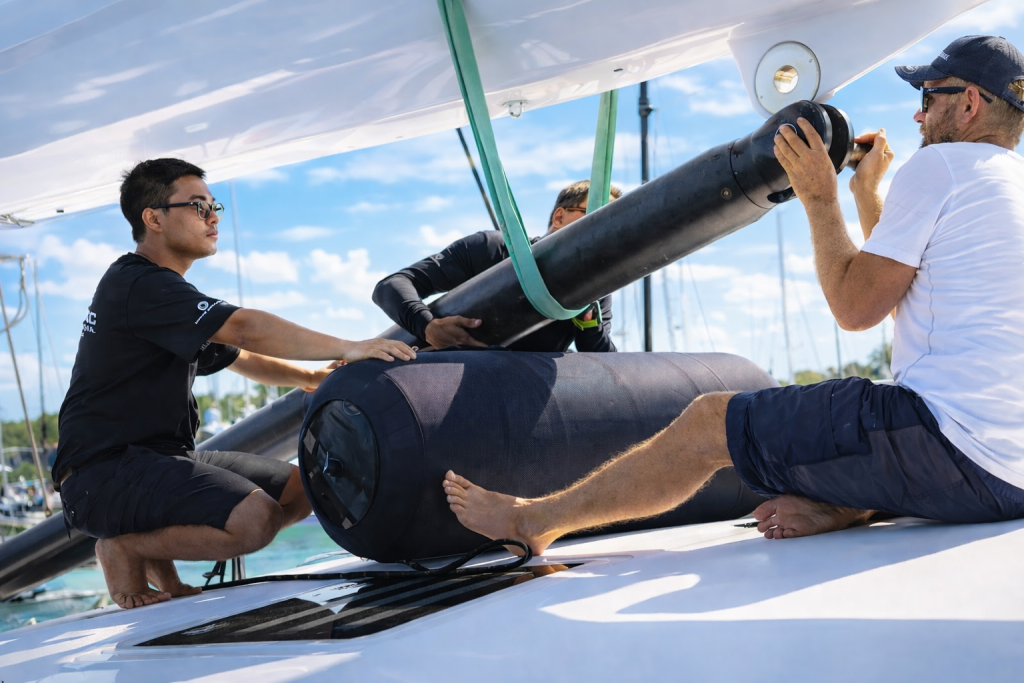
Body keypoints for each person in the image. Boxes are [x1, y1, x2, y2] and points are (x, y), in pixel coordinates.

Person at [441, 35, 1024, 555]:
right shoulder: (1006, 183)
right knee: (867, 412)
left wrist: (819, 197)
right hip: (1006, 479)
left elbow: (856, 310)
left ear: (969, 103)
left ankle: (534, 521)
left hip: (946, 447)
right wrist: (867, 192)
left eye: (928, 98)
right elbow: (899, 285)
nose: (918, 115)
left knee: (709, 420)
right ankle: (848, 502)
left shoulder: (942, 166)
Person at [53, 158, 416, 609]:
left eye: (215, 205)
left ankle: (156, 562)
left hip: (154, 460)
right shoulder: (139, 284)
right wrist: (349, 347)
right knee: (255, 519)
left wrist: (310, 377)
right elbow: (243, 328)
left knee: (301, 489)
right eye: (197, 205)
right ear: (154, 218)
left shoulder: (155, 294)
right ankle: (123, 547)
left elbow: (235, 353)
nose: (213, 216)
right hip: (102, 473)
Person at [372, 180, 619, 352]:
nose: (600, 228)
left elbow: (602, 361)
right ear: (559, 217)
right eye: (592, 214)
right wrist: (426, 326)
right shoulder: (490, 249)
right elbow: (391, 286)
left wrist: (589, 323)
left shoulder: (595, 289)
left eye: (610, 222)